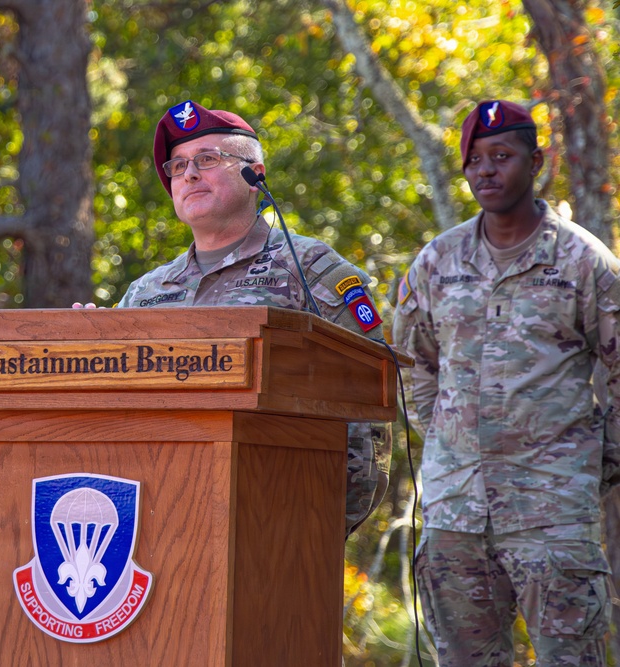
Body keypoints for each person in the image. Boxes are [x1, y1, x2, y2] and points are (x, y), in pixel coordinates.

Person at [392, 99, 620, 665]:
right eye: (474, 160)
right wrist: (446, 439)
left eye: (502, 156)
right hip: (455, 514)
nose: (486, 171)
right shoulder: (437, 262)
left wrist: (596, 461)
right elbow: (412, 363)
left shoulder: (582, 261)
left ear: (536, 161)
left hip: (553, 513)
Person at [115, 99, 392, 536]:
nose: (188, 174)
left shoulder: (311, 268)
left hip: (277, 526)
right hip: (156, 527)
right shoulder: (145, 291)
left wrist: (318, 527)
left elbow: (368, 402)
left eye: (207, 159)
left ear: (254, 175)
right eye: (178, 165)